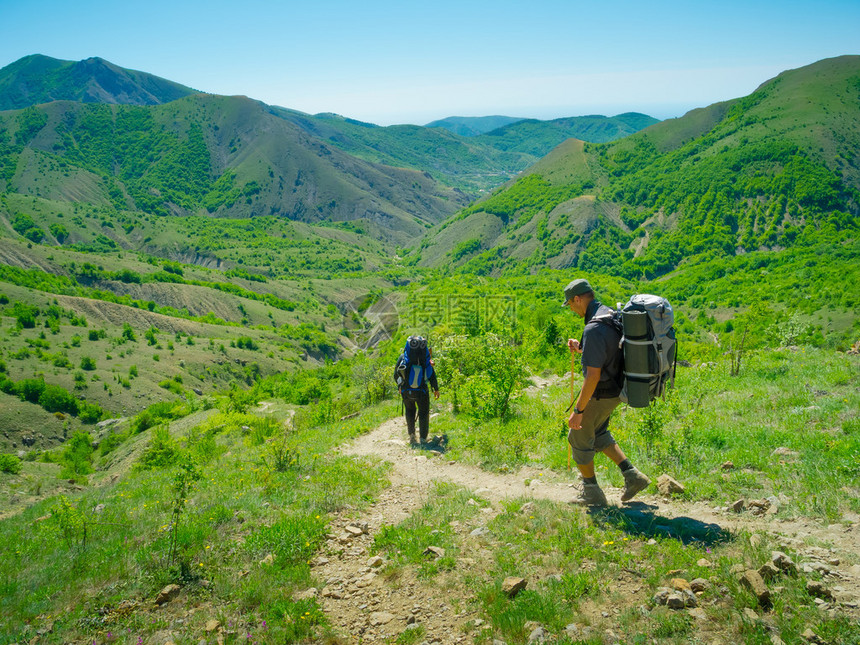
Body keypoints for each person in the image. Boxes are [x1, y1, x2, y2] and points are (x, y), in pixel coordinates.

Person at [563, 278, 650, 505]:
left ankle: (592, 492)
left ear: (578, 299)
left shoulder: (593, 327)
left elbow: (592, 376)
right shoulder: (608, 314)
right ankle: (633, 476)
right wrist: (581, 348)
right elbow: (609, 350)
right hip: (616, 389)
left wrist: (579, 410)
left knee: (578, 434)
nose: (571, 309)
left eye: (570, 304)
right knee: (599, 432)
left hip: (601, 392)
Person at [396, 335, 440, 446]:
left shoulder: (403, 357)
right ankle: (423, 438)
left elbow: (396, 374)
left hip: (406, 391)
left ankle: (411, 436)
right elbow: (431, 375)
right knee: (424, 413)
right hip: (422, 391)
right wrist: (436, 389)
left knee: (410, 411)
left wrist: (399, 386)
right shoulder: (426, 359)